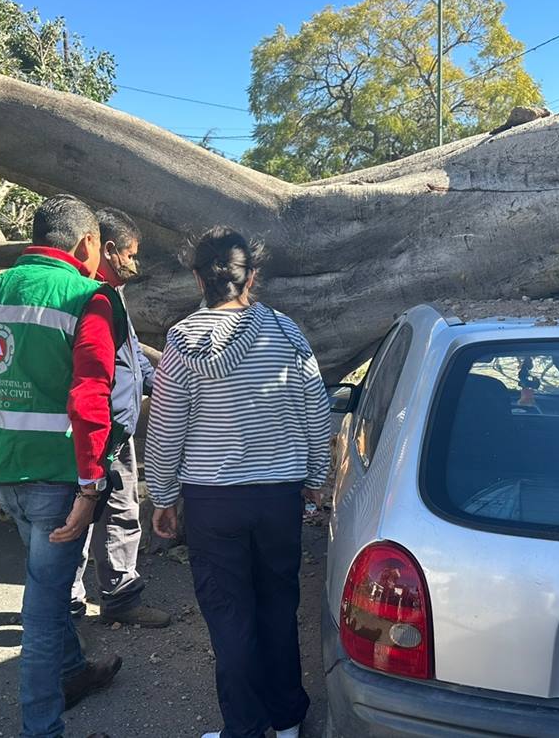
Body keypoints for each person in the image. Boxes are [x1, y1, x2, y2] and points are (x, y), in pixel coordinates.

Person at [0, 194, 132, 738]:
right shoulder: (90, 297)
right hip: (60, 482)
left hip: (4, 476)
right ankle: (42, 730)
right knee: (45, 614)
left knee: (45, 584)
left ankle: (71, 674)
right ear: (87, 243)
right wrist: (93, 485)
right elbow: (91, 395)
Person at [145, 227, 332, 738]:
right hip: (278, 500)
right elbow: (316, 408)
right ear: (251, 274)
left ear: (196, 275)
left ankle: (245, 729)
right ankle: (288, 718)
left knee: (230, 619)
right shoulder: (287, 332)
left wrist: (161, 496)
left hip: (213, 505)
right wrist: (317, 477)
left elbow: (165, 428)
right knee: (278, 607)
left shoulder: (183, 342)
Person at [69, 207, 171, 629]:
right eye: (132, 253)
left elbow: (130, 357)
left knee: (123, 511)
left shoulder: (113, 298)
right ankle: (69, 604)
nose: (135, 263)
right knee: (77, 518)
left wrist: (163, 385)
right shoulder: (83, 297)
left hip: (118, 431)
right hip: (93, 431)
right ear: (108, 250)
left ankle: (120, 598)